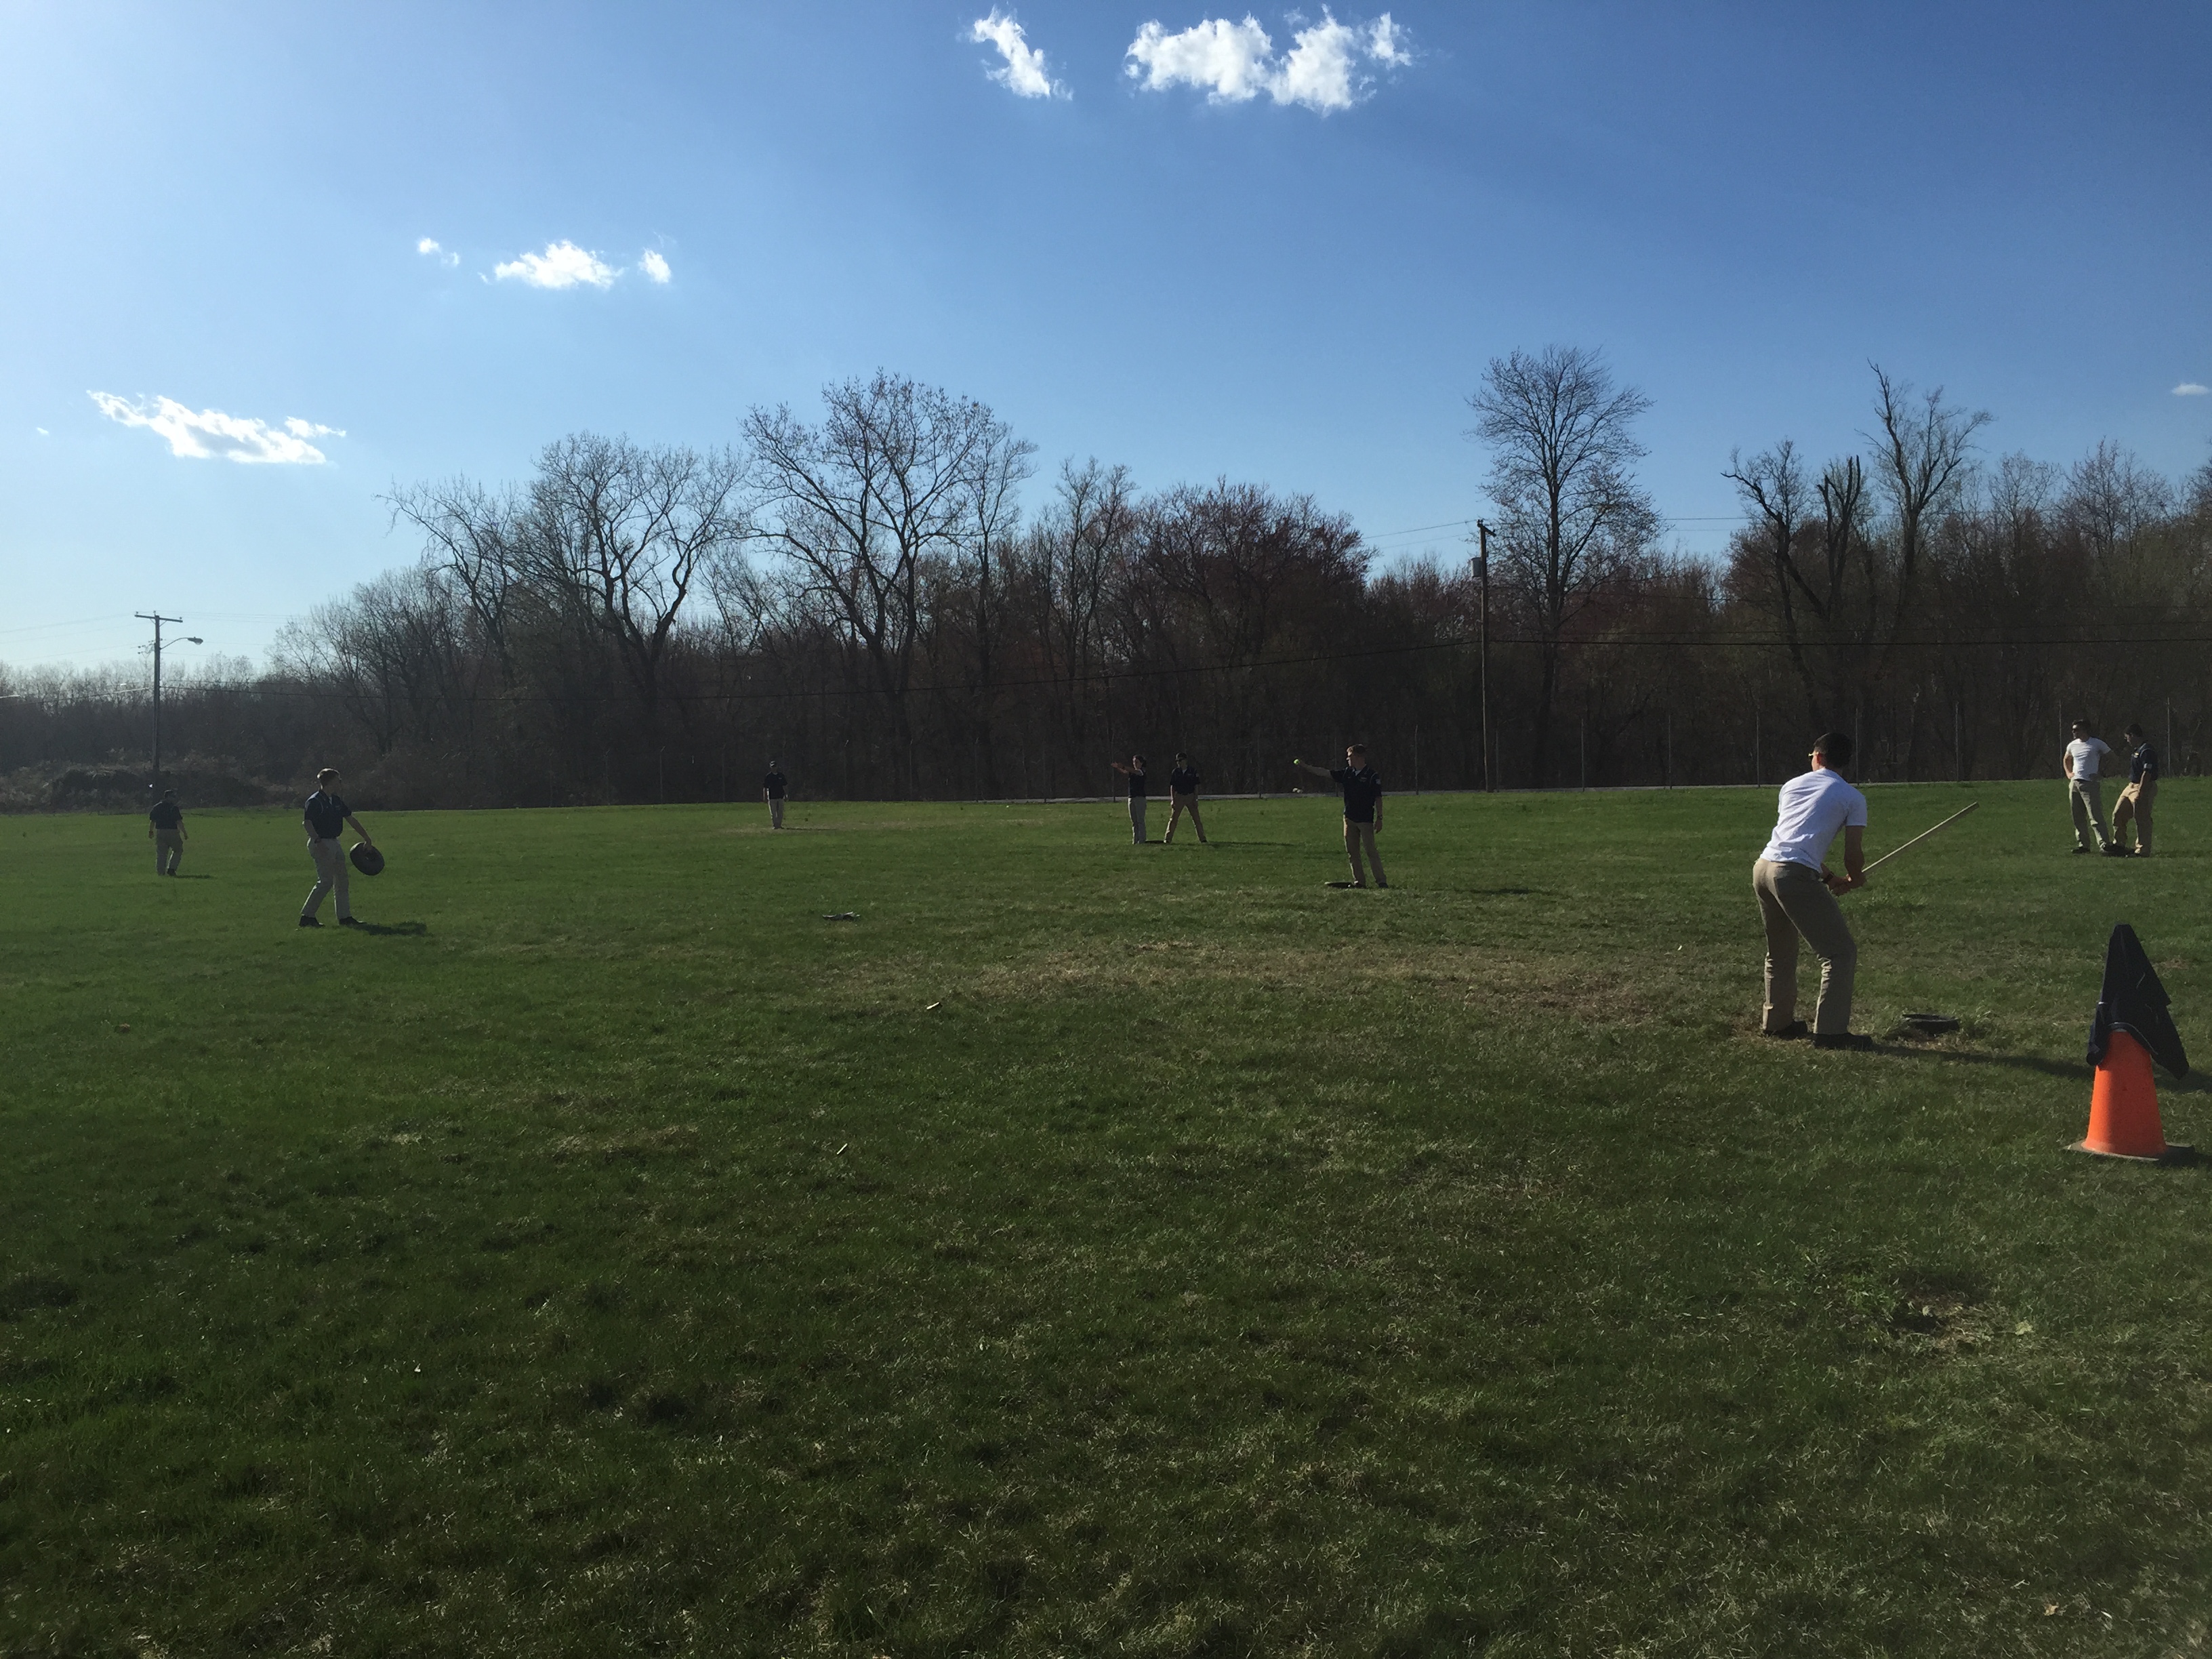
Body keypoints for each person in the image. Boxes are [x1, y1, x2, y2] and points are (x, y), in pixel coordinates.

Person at [1753, 732, 1869, 1050]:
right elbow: (1852, 855)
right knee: (1840, 953)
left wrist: (1830, 877)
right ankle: (1831, 1033)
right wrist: (1856, 877)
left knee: (1780, 952)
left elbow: (1794, 839)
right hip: (1793, 875)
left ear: (1817, 757)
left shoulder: (1791, 786)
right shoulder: (1852, 797)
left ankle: (1777, 1023)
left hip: (1764, 868)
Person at [1295, 744, 1386, 888]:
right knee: (1352, 852)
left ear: (1358, 757)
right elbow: (1325, 773)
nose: (1347, 759)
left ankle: (1381, 881)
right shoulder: (1347, 773)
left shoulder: (1371, 776)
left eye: (1350, 757)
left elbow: (1378, 798)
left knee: (1371, 851)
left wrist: (1379, 818)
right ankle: (1359, 882)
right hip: (1349, 818)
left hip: (1365, 820)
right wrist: (1306, 766)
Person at [300, 767, 373, 928]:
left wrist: (366, 838)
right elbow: (307, 823)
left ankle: (345, 917)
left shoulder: (336, 801)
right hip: (322, 843)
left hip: (334, 842)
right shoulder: (315, 801)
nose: (340, 783)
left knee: (342, 881)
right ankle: (307, 916)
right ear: (331, 782)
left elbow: (351, 819)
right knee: (326, 881)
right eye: (338, 780)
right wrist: (318, 842)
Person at [2062, 718, 2114, 854]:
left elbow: (2112, 757)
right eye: (2073, 730)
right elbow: (2067, 759)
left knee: (2095, 815)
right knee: (2078, 816)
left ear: (2084, 730)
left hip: (2090, 784)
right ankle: (2083, 845)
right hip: (2075, 783)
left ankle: (2104, 844)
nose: (2073, 732)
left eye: (2076, 730)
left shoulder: (2096, 743)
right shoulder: (2072, 745)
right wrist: (2069, 773)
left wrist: (2102, 774)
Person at [2110, 722, 2158, 857]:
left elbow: (2147, 772)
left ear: (2132, 735)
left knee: (2141, 818)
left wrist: (2141, 791)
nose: (2127, 741)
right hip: (2131, 785)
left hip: (2143, 786)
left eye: (2127, 737)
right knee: (2118, 814)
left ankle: (2142, 850)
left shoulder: (2147, 750)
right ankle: (2119, 844)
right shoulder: (2138, 749)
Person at [1164, 753, 1208, 844]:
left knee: (1197, 819)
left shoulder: (1192, 771)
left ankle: (1202, 839)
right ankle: (1168, 839)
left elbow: (1196, 786)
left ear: (1185, 760)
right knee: (1173, 819)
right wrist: (1173, 799)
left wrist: (1195, 798)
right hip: (1179, 797)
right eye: (1177, 761)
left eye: (1180, 760)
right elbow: (1172, 786)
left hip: (1190, 796)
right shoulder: (1176, 772)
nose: (1179, 763)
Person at [1109, 754, 1149, 844]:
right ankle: (1135, 840)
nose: (1135, 764)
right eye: (1134, 762)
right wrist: (1118, 767)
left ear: (1141, 763)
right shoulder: (1132, 772)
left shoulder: (1141, 771)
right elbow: (1125, 772)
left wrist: (1123, 766)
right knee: (1134, 821)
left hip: (1140, 798)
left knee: (1140, 820)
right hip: (1131, 797)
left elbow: (1134, 771)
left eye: (1137, 762)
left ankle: (1142, 840)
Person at [147, 787, 186, 876]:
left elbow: (153, 820)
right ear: (168, 797)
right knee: (178, 850)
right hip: (172, 832)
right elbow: (179, 821)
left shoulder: (157, 807)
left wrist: (151, 831)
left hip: (160, 832)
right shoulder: (174, 808)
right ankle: (172, 868)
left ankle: (160, 872)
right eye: (173, 797)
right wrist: (184, 832)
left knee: (161, 853)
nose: (174, 798)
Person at [763, 761, 788, 830]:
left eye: (775, 766)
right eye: (772, 767)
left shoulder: (781, 776)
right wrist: (765, 797)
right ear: (770, 767)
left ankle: (779, 825)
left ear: (777, 767)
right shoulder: (768, 776)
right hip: (772, 797)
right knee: (773, 813)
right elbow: (765, 787)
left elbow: (785, 786)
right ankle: (775, 825)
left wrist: (786, 795)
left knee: (780, 812)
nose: (774, 768)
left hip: (780, 796)